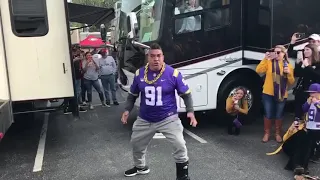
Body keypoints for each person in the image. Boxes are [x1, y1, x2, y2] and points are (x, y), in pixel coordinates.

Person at [120, 43, 197, 180]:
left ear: (163, 57)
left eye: (158, 56)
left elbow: (186, 94)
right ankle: (140, 167)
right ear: (148, 57)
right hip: (145, 118)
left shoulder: (173, 73)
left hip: (168, 118)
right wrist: (127, 110)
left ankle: (183, 175)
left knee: (179, 144)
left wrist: (190, 111)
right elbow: (132, 95)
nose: (156, 59)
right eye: (152, 56)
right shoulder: (139, 73)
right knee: (136, 144)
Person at [256, 45, 295, 143]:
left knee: (279, 114)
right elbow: (259, 70)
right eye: (275, 52)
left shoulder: (288, 65)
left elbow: (291, 82)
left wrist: (289, 73)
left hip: (281, 94)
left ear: (284, 54)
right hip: (268, 93)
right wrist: (265, 58)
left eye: (279, 52)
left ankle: (277, 133)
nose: (276, 54)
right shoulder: (269, 62)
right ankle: (267, 133)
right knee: (268, 113)